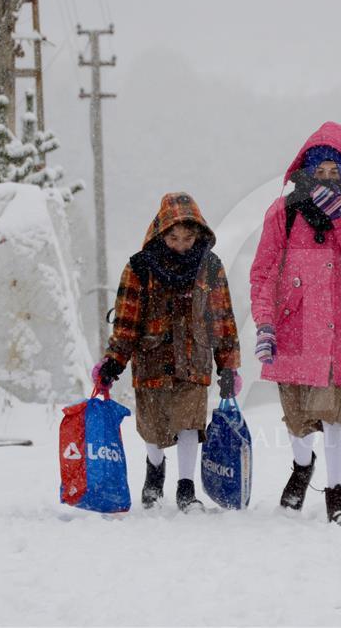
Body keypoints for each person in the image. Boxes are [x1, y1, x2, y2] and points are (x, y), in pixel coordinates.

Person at [249, 122, 341, 526]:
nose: (325, 178)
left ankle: (337, 492)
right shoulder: (284, 211)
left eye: (333, 171)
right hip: (294, 325)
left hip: (340, 327)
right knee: (298, 418)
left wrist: (340, 218)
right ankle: (302, 467)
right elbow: (263, 273)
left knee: (335, 414)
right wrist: (265, 324)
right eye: (318, 170)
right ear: (305, 171)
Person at [94, 192, 241, 511]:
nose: (181, 245)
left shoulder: (210, 267)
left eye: (188, 238)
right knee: (153, 428)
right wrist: (114, 361)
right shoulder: (140, 267)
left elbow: (222, 318)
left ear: (198, 234)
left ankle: (186, 488)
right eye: (174, 238)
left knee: (190, 422)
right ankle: (155, 467)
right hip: (151, 358)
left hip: (194, 358)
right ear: (161, 233)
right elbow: (127, 320)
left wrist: (228, 365)